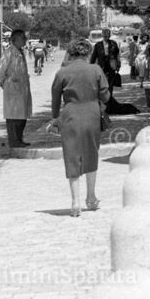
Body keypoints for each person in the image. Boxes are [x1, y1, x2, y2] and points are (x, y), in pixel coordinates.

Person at [50, 37, 110, 218]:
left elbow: (55, 99)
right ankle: (91, 197)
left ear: (71, 52)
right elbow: (105, 95)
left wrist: (55, 118)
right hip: (91, 115)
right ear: (88, 52)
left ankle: (75, 201)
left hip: (70, 116)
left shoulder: (62, 72)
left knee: (72, 156)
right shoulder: (96, 69)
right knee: (91, 153)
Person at [0, 28, 33, 148]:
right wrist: (6, 80)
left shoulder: (21, 52)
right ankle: (14, 141)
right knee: (13, 116)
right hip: (13, 89)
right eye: (23, 38)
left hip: (22, 89)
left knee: (22, 116)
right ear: (15, 39)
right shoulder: (9, 52)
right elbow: (0, 71)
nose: (25, 40)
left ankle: (19, 139)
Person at [89, 28, 122, 94]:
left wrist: (118, 65)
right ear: (102, 35)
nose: (106, 37)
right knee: (102, 82)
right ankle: (103, 97)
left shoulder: (113, 44)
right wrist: (91, 67)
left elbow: (117, 55)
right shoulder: (98, 45)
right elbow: (93, 56)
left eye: (107, 35)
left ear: (109, 35)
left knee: (110, 83)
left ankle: (109, 97)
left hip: (112, 65)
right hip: (101, 65)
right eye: (105, 36)